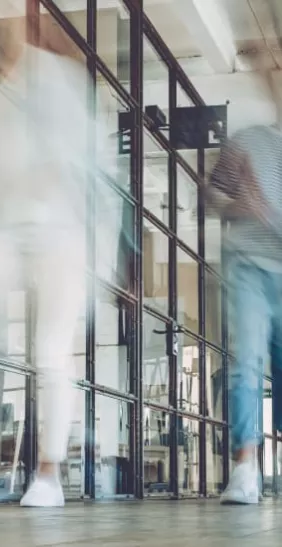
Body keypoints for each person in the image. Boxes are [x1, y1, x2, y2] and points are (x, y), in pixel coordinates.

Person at [0, 3, 121, 507]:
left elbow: (84, 169)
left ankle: (47, 474)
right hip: (12, 228)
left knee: (51, 348)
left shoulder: (61, 83)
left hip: (66, 232)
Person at [207, 68, 282, 504]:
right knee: (247, 361)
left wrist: (268, 213)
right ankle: (244, 467)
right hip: (248, 267)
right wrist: (239, 203)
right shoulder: (248, 140)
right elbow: (212, 192)